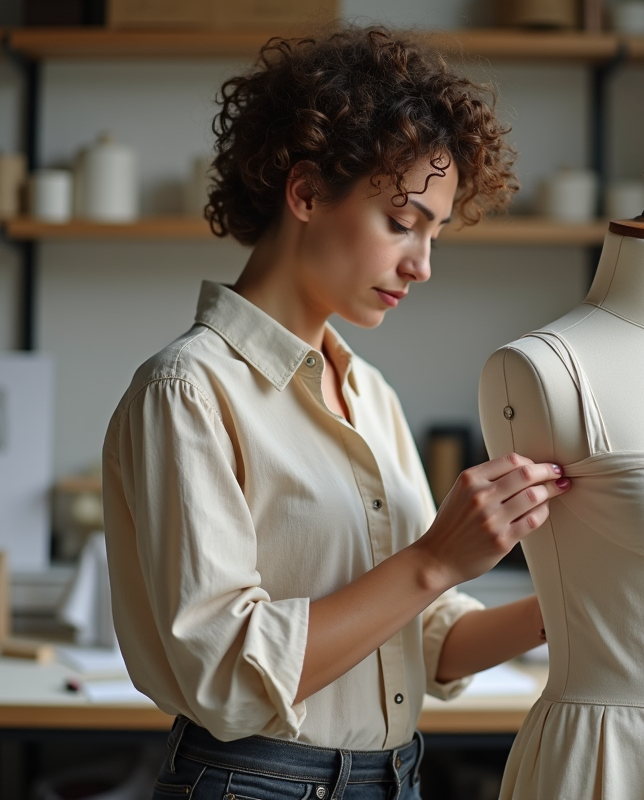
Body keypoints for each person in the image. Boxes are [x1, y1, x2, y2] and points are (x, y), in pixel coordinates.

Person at [101, 27, 569, 800]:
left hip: (395, 778)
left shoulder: (371, 396)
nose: (422, 265)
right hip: (253, 784)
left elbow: (428, 639)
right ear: (308, 192)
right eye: (401, 221)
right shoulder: (187, 391)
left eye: (435, 232)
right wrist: (435, 560)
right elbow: (226, 673)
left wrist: (574, 599)